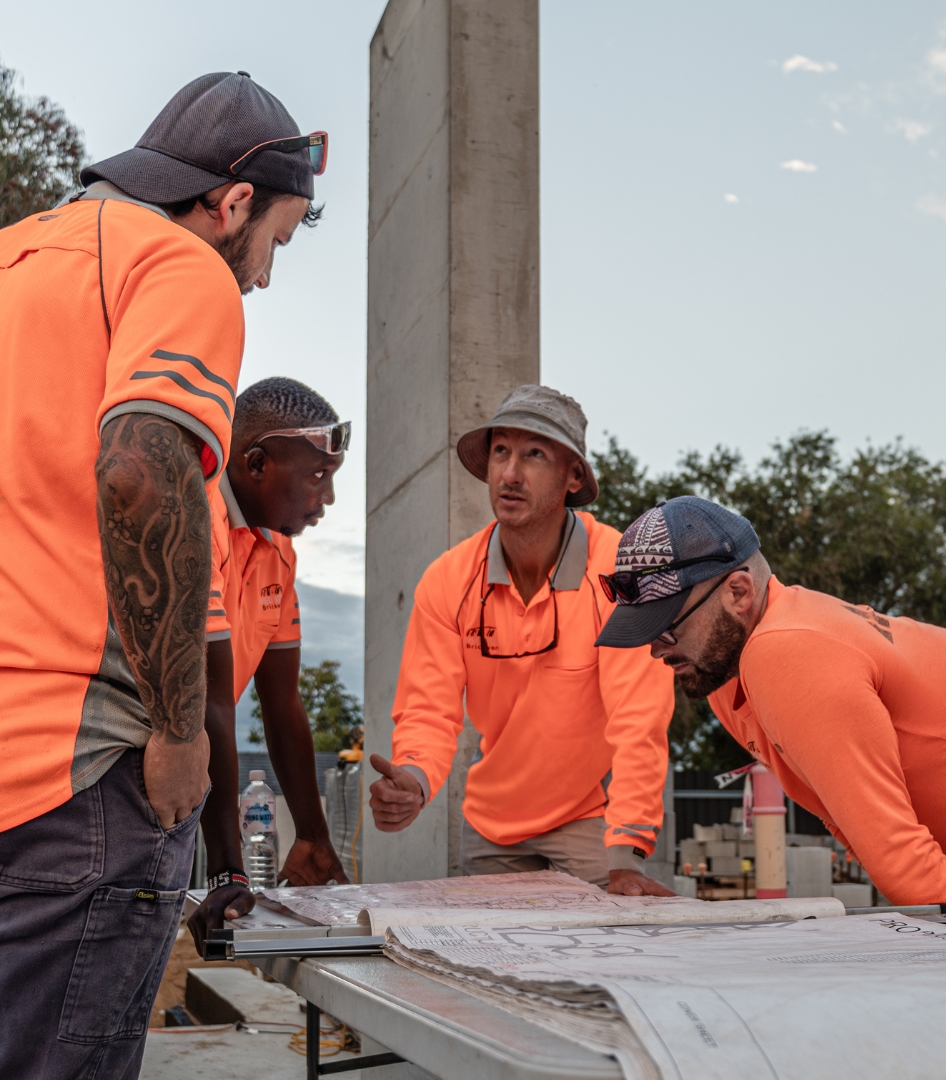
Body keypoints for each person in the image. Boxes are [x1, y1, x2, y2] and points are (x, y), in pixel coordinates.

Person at [0, 72, 325, 1078]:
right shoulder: (181, 271)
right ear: (230, 204)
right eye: (275, 237)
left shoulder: (14, 259)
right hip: (82, 781)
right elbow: (141, 471)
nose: (262, 276)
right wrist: (180, 732)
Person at [597, 495, 946, 938]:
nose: (654, 647)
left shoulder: (787, 651)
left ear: (739, 593)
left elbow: (896, 850)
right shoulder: (724, 668)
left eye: (668, 624)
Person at [368, 385, 675, 894]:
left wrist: (627, 851)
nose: (510, 473)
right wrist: (414, 782)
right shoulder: (447, 580)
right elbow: (429, 712)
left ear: (573, 475)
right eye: (501, 451)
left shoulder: (618, 571)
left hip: (589, 818)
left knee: (613, 956)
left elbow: (638, 719)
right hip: (491, 825)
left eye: (534, 453)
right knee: (497, 971)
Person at [187, 378, 351, 948]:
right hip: (121, 766)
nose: (326, 499)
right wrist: (229, 872)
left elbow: (282, 705)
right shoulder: (194, 518)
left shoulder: (279, 551)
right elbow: (207, 702)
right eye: (317, 476)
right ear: (256, 464)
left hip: (183, 770)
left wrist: (312, 835)